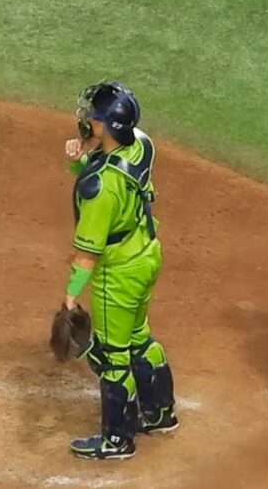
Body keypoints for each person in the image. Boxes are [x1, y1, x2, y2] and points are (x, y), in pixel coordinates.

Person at [61, 81, 179, 460]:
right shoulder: (142, 143)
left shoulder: (100, 191)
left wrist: (70, 298)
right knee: (139, 338)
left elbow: (86, 255)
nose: (87, 119)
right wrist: (81, 158)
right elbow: (111, 165)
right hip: (146, 254)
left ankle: (117, 440)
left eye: (93, 116)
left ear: (107, 126)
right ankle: (159, 413)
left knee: (113, 357)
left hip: (119, 274)